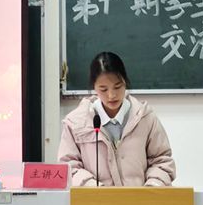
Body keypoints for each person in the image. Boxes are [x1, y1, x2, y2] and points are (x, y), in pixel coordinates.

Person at [57, 51, 176, 187]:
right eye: (103, 89)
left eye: (117, 87)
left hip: (141, 199)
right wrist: (92, 188)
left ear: (125, 82)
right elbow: (68, 167)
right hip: (96, 199)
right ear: (94, 87)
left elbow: (162, 161)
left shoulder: (145, 118)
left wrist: (152, 187)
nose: (111, 95)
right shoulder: (76, 123)